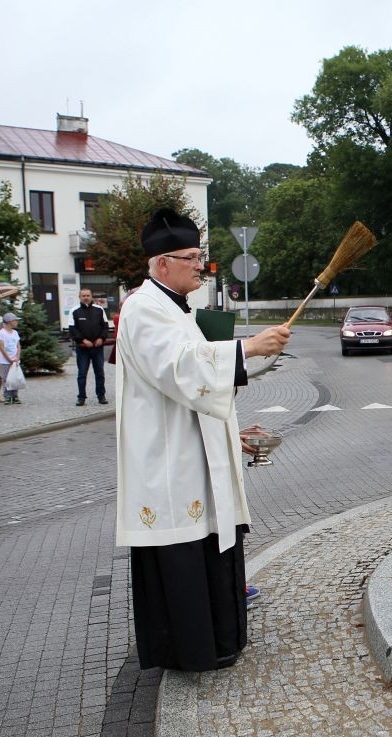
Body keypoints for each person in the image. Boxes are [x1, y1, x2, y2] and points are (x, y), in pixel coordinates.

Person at [115, 207, 289, 672]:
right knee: (184, 551)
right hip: (169, 461)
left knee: (210, 544)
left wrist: (235, 431)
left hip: (194, 452)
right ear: (161, 263)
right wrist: (249, 347)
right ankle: (191, 650)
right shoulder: (143, 309)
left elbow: (204, 375)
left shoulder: (179, 308)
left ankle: (219, 641)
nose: (200, 265)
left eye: (200, 256)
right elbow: (180, 368)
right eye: (191, 257)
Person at [70, 288, 109, 405]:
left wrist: (101, 338)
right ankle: (81, 397)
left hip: (97, 347)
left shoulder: (99, 310)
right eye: (83, 296)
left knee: (100, 373)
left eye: (88, 295)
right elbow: (72, 329)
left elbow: (105, 326)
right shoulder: (74, 311)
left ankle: (101, 395)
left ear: (91, 296)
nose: (86, 297)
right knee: (82, 373)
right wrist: (83, 340)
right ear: (79, 297)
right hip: (83, 348)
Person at [0, 312, 21, 404]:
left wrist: (17, 357)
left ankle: (15, 395)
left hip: (15, 359)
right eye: (15, 320)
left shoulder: (15, 333)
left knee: (15, 378)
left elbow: (18, 346)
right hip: (5, 360)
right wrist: (9, 359)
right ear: (9, 321)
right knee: (6, 378)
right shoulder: (1, 333)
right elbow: (2, 347)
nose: (17, 322)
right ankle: (7, 395)